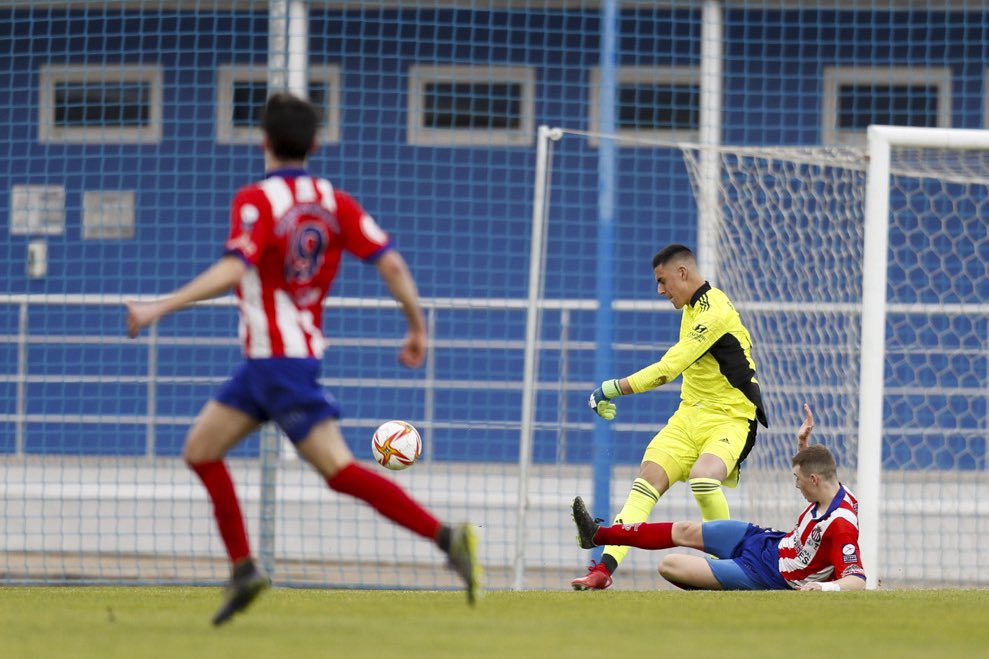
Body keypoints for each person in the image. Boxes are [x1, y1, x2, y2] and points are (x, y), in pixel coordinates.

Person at [125, 92, 481, 625]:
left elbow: (232, 268)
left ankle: (445, 537)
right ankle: (245, 568)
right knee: (201, 450)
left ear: (262, 140)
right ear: (315, 143)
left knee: (337, 470)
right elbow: (391, 265)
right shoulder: (336, 203)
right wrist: (416, 326)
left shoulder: (255, 200)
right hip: (272, 364)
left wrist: (161, 306)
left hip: (278, 364)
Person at [574, 244, 768, 590]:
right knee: (645, 483)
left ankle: (731, 570)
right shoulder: (690, 309)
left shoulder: (715, 311)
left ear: (682, 273)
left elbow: (668, 369)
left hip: (731, 419)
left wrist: (611, 388)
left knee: (703, 479)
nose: (660, 291)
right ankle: (603, 570)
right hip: (687, 418)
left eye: (663, 282)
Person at [571, 404, 867, 591]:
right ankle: (597, 535)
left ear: (814, 480)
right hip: (765, 541)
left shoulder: (840, 523)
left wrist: (824, 589)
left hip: (764, 574)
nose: (796, 486)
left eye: (799, 481)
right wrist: (803, 444)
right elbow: (818, 470)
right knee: (686, 529)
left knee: (670, 565)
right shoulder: (833, 487)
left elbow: (856, 579)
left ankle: (725, 585)